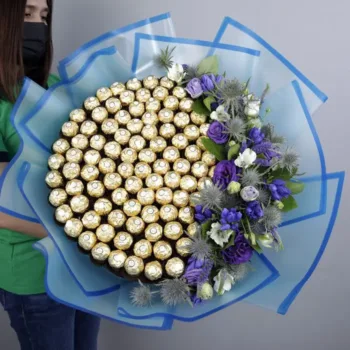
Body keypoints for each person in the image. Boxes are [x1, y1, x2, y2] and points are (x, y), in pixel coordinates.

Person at [0, 1, 101, 349]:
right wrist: (79, 230)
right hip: (34, 274)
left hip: (84, 266)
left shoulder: (56, 87)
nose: (38, 26)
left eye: (44, 17)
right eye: (27, 13)